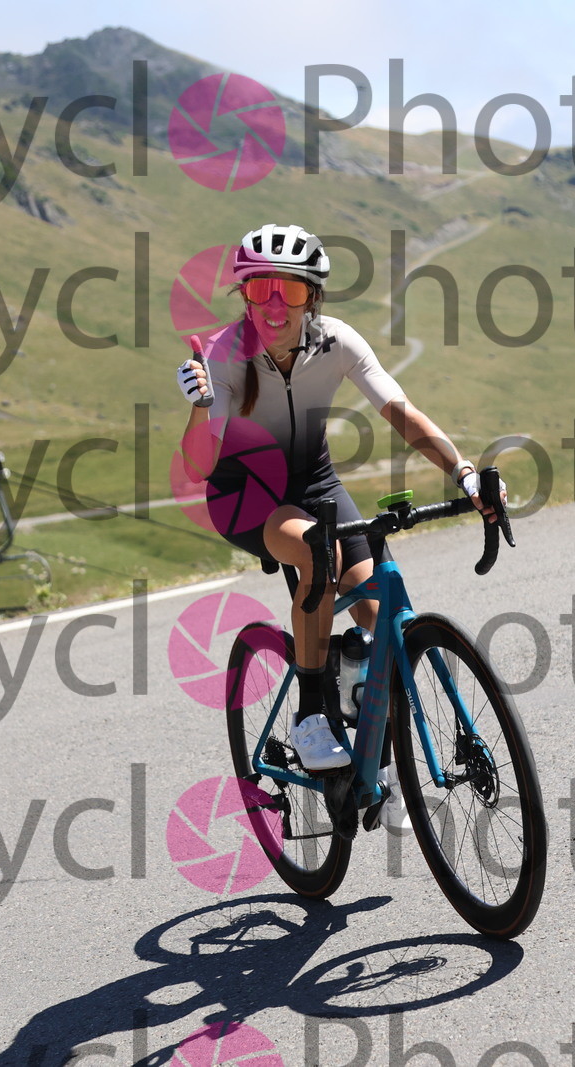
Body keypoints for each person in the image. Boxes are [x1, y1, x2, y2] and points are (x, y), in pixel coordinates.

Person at [175, 222, 498, 782]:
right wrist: (200, 408)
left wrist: (463, 471)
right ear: (245, 295)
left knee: (382, 623)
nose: (275, 305)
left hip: (316, 485)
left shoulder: (336, 341)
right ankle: (310, 716)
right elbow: (199, 464)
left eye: (291, 290)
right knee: (316, 554)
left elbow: (399, 410)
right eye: (260, 289)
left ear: (312, 297)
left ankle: (379, 762)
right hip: (247, 496)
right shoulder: (224, 356)